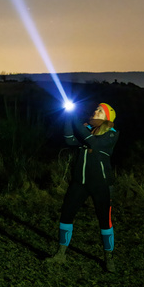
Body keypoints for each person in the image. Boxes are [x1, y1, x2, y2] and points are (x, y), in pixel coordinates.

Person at [45, 103, 119, 273]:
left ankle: (109, 258)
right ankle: (61, 254)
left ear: (108, 117)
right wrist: (68, 119)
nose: (95, 111)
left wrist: (75, 120)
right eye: (96, 109)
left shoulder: (111, 133)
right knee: (66, 215)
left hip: (101, 185)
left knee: (104, 221)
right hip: (79, 183)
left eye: (100, 111)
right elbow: (69, 139)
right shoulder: (87, 129)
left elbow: (92, 143)